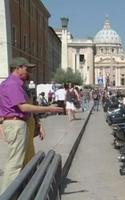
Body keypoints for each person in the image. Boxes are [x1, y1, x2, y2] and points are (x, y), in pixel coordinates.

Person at [0, 57, 63, 194]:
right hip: (16, 123)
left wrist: (37, 123)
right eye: (26, 68)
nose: (28, 71)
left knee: (20, 161)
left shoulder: (17, 84)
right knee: (15, 163)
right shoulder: (12, 84)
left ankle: (18, 191)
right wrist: (48, 109)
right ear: (17, 68)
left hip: (19, 123)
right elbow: (23, 107)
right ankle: (7, 194)